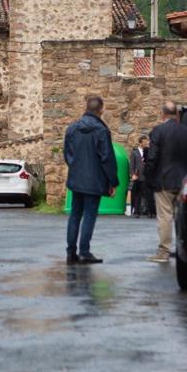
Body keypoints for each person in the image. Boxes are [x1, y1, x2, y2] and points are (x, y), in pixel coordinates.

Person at [64, 96, 118, 265]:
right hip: (94, 180)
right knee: (89, 216)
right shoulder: (101, 131)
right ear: (101, 110)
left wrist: (75, 167)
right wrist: (112, 181)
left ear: (86, 108)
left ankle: (71, 252)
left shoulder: (72, 129)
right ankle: (84, 252)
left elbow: (67, 154)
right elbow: (106, 157)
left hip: (76, 178)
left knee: (75, 215)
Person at [144, 102, 187, 263]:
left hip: (164, 181)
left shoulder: (158, 131)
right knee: (184, 216)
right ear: (177, 115)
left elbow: (152, 157)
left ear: (163, 114)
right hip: (185, 181)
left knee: (165, 217)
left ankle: (164, 251)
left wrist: (149, 177)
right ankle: (185, 248)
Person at [129, 135, 154, 218]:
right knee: (137, 195)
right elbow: (132, 164)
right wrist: (132, 175)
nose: (146, 143)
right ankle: (136, 211)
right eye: (144, 142)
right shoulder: (134, 153)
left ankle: (149, 211)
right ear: (140, 143)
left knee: (148, 195)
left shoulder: (149, 152)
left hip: (147, 177)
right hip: (138, 176)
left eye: (147, 142)